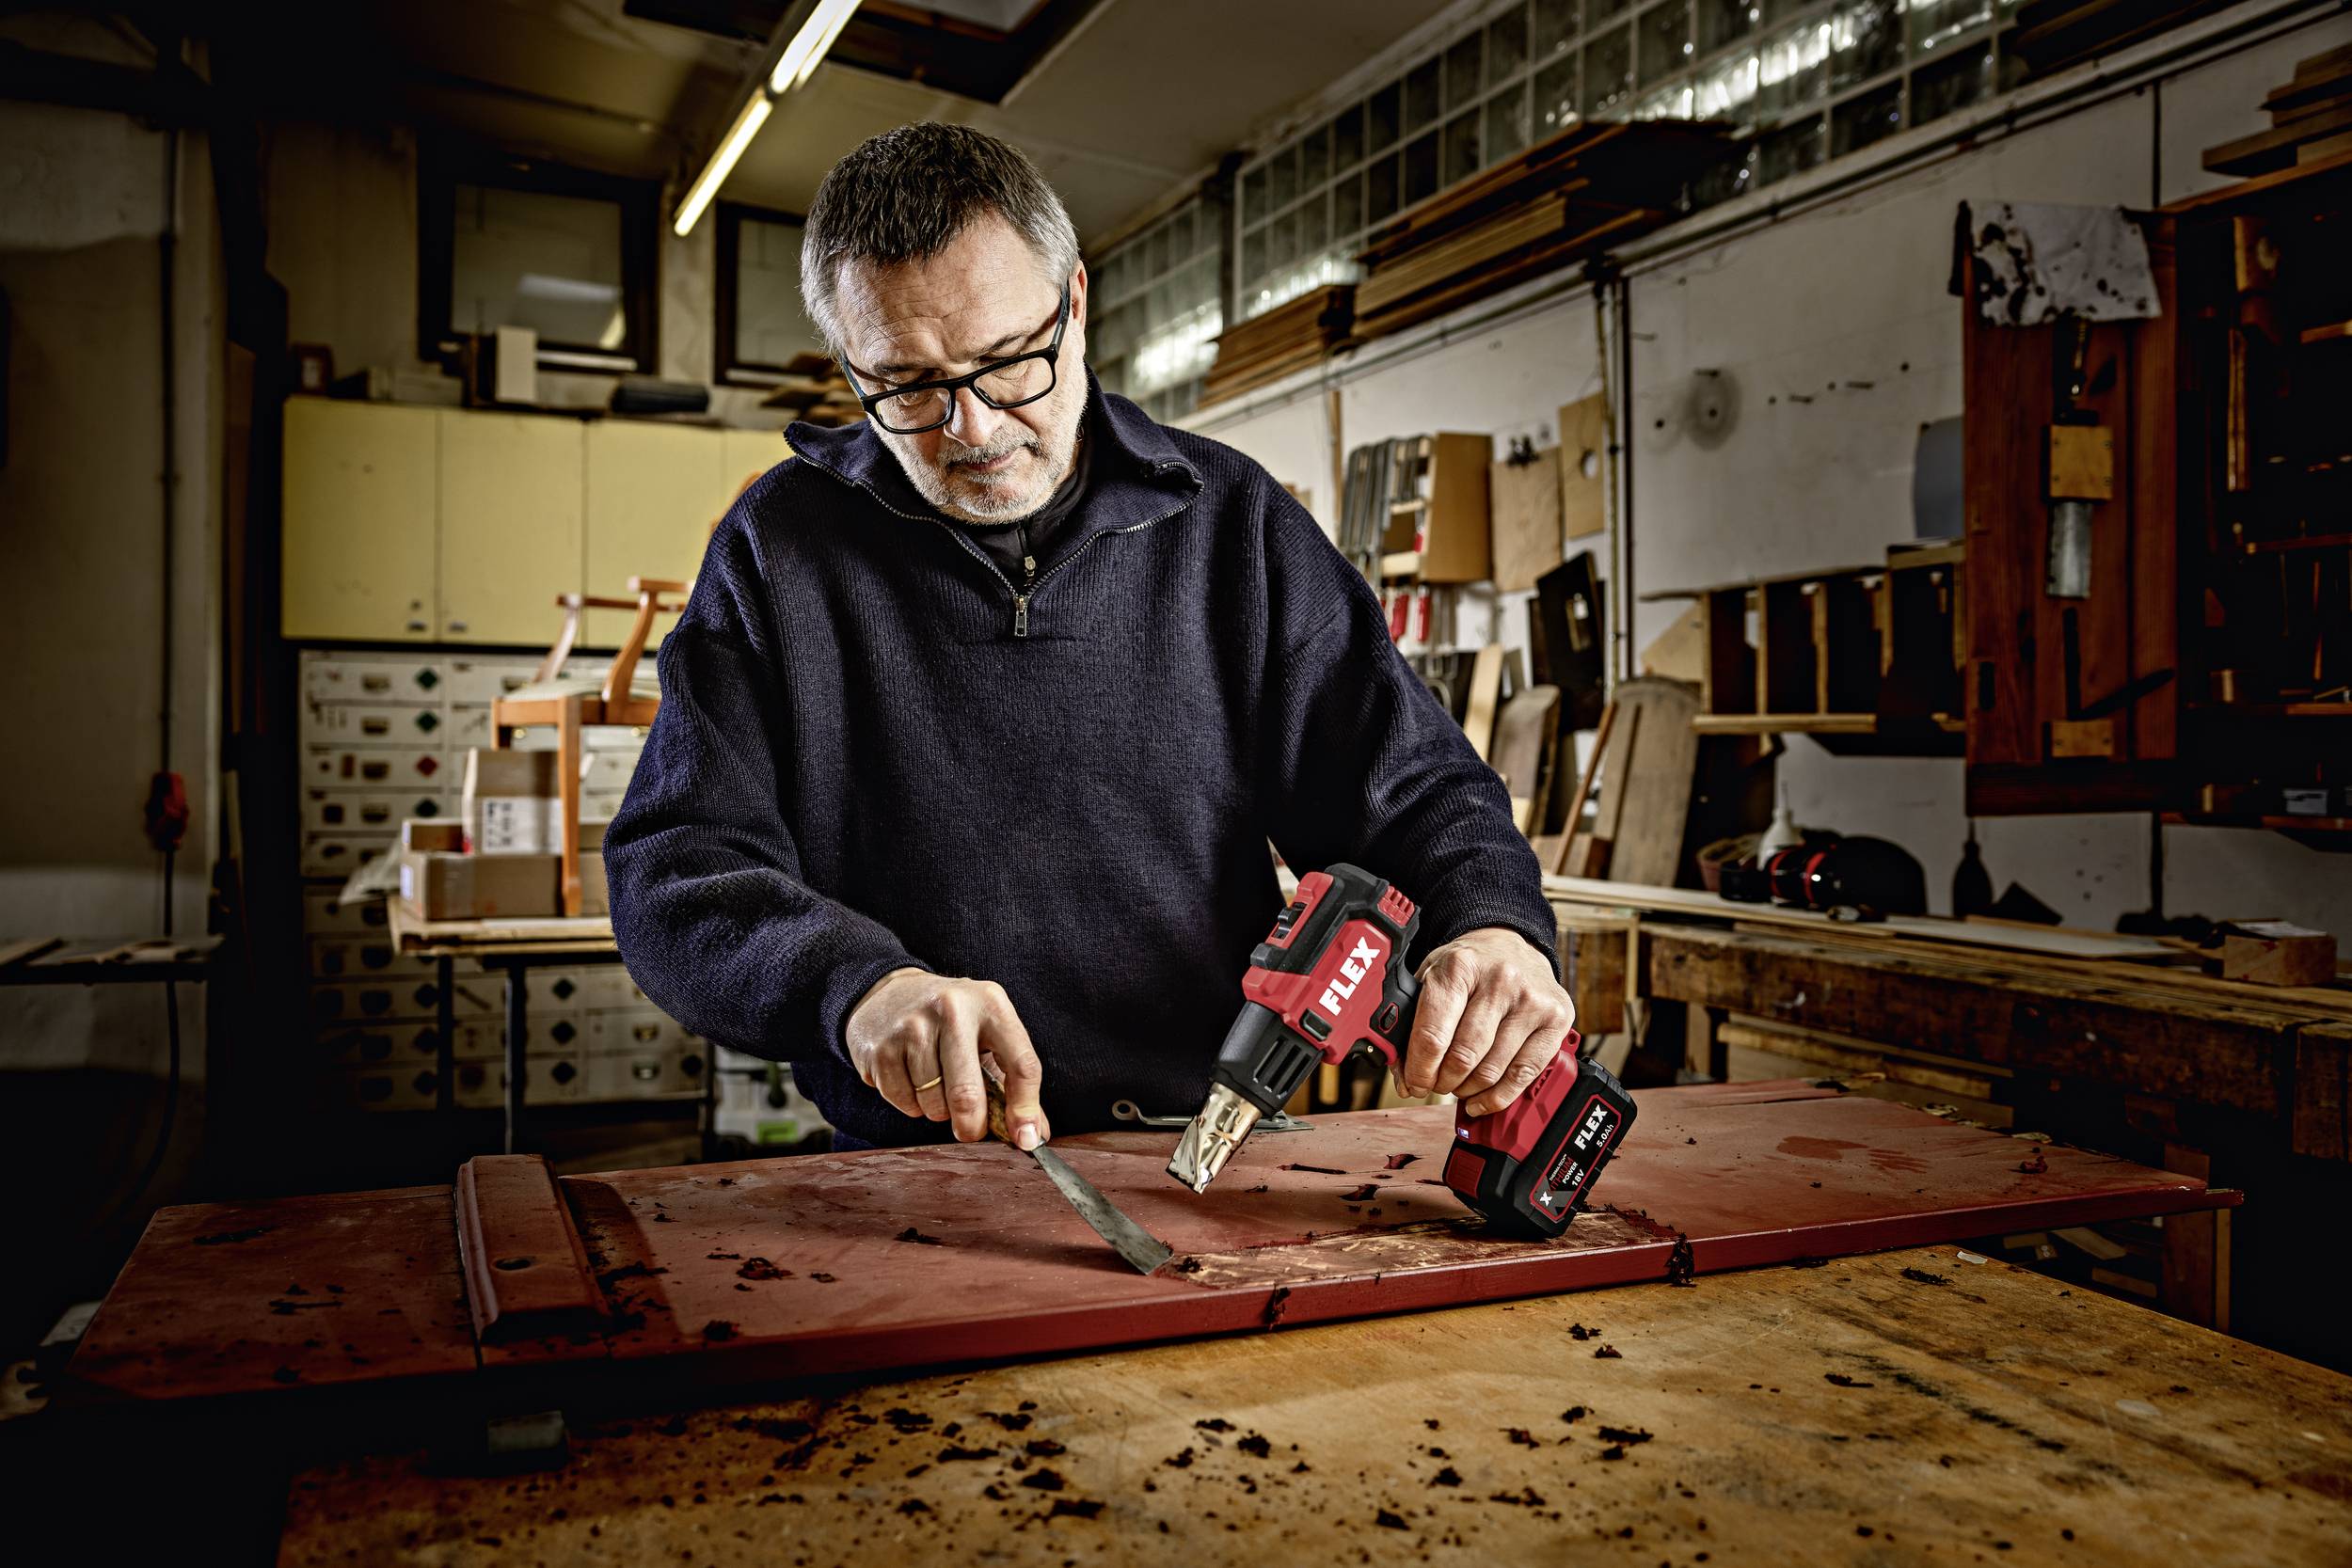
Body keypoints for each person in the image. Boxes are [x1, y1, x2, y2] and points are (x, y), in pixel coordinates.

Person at [604, 123, 1572, 1154]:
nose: (971, 429)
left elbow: (1411, 789)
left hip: (1209, 1140)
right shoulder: (780, 551)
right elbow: (676, 867)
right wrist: (858, 987)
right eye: (907, 384)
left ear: (1072, 302)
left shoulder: (1229, 522)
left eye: (1007, 362)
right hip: (917, 1165)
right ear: (848, 364)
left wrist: (1492, 924)